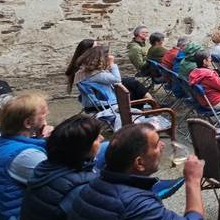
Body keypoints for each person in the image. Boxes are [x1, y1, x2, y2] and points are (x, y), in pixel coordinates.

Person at [69, 123, 205, 220]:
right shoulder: (138, 204)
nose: (163, 146)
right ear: (139, 163)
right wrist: (193, 180)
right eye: (157, 144)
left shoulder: (92, 184)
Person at [0, 93, 50, 220]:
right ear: (28, 123)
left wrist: (43, 139)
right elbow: (57, 183)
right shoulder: (26, 155)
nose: (46, 119)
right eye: (43, 115)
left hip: (2, 211)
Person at [21, 114, 104, 220]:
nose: (102, 138)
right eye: (96, 138)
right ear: (83, 148)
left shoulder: (45, 168)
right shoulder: (81, 189)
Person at [73, 47, 150, 111]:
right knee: (134, 91)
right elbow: (117, 79)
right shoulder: (95, 74)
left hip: (95, 101)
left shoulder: (83, 72)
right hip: (105, 103)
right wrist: (112, 63)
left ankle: (149, 104)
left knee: (132, 84)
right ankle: (148, 106)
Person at [188, 50, 220, 116]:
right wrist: (218, 77)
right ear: (204, 61)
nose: (211, 60)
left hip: (206, 100)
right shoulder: (208, 75)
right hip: (215, 100)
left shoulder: (194, 72)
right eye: (210, 58)